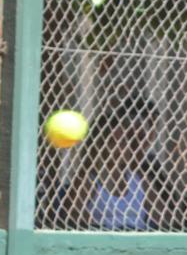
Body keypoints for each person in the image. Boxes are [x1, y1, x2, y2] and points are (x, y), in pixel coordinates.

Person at [61, 96, 167, 230]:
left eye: (124, 141)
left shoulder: (140, 182)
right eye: (113, 142)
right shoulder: (88, 181)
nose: (120, 147)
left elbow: (169, 219)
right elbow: (71, 217)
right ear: (99, 145)